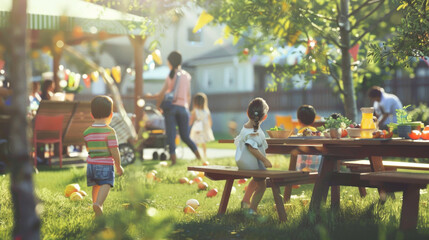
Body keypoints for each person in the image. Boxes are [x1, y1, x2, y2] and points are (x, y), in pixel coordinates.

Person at [144, 51, 201, 164]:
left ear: (170, 62)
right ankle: (199, 157)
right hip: (183, 109)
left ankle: (173, 160)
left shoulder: (170, 75)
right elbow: (188, 95)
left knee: (171, 134)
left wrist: (158, 105)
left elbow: (162, 94)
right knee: (185, 136)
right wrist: (186, 109)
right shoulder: (186, 75)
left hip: (171, 108)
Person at [83, 95, 124, 217]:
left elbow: (88, 148)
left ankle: (96, 205)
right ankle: (98, 204)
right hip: (105, 164)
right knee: (107, 183)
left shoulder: (87, 132)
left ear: (92, 114)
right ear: (111, 114)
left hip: (91, 164)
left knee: (96, 185)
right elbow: (114, 150)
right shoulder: (110, 131)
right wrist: (118, 166)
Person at [234, 97, 272, 214]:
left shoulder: (245, 127)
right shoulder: (255, 131)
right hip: (254, 164)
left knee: (256, 180)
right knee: (262, 186)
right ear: (264, 117)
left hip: (243, 162)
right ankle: (252, 210)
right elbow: (251, 147)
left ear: (247, 113)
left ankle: (245, 201)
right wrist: (265, 160)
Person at [296, 105, 322, 172]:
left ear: (298, 120)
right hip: (317, 165)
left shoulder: (300, 132)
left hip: (302, 166)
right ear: (314, 120)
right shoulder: (316, 132)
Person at [189, 92, 215, 159]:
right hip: (204, 129)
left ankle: (197, 155)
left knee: (196, 142)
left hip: (198, 129)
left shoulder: (195, 111)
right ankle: (204, 155)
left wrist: (188, 124)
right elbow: (210, 121)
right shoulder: (206, 111)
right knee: (203, 142)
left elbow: (191, 120)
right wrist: (208, 128)